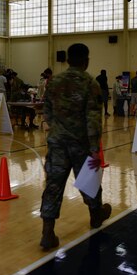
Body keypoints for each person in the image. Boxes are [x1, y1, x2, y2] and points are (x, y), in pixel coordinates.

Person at [39, 43, 111, 251]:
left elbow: (47, 112)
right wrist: (94, 148)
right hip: (81, 145)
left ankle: (47, 232)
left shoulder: (55, 82)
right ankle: (95, 215)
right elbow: (93, 119)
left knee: (53, 186)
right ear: (86, 60)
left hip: (58, 144)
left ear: (68, 59)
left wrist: (59, 131)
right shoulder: (90, 83)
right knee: (90, 181)